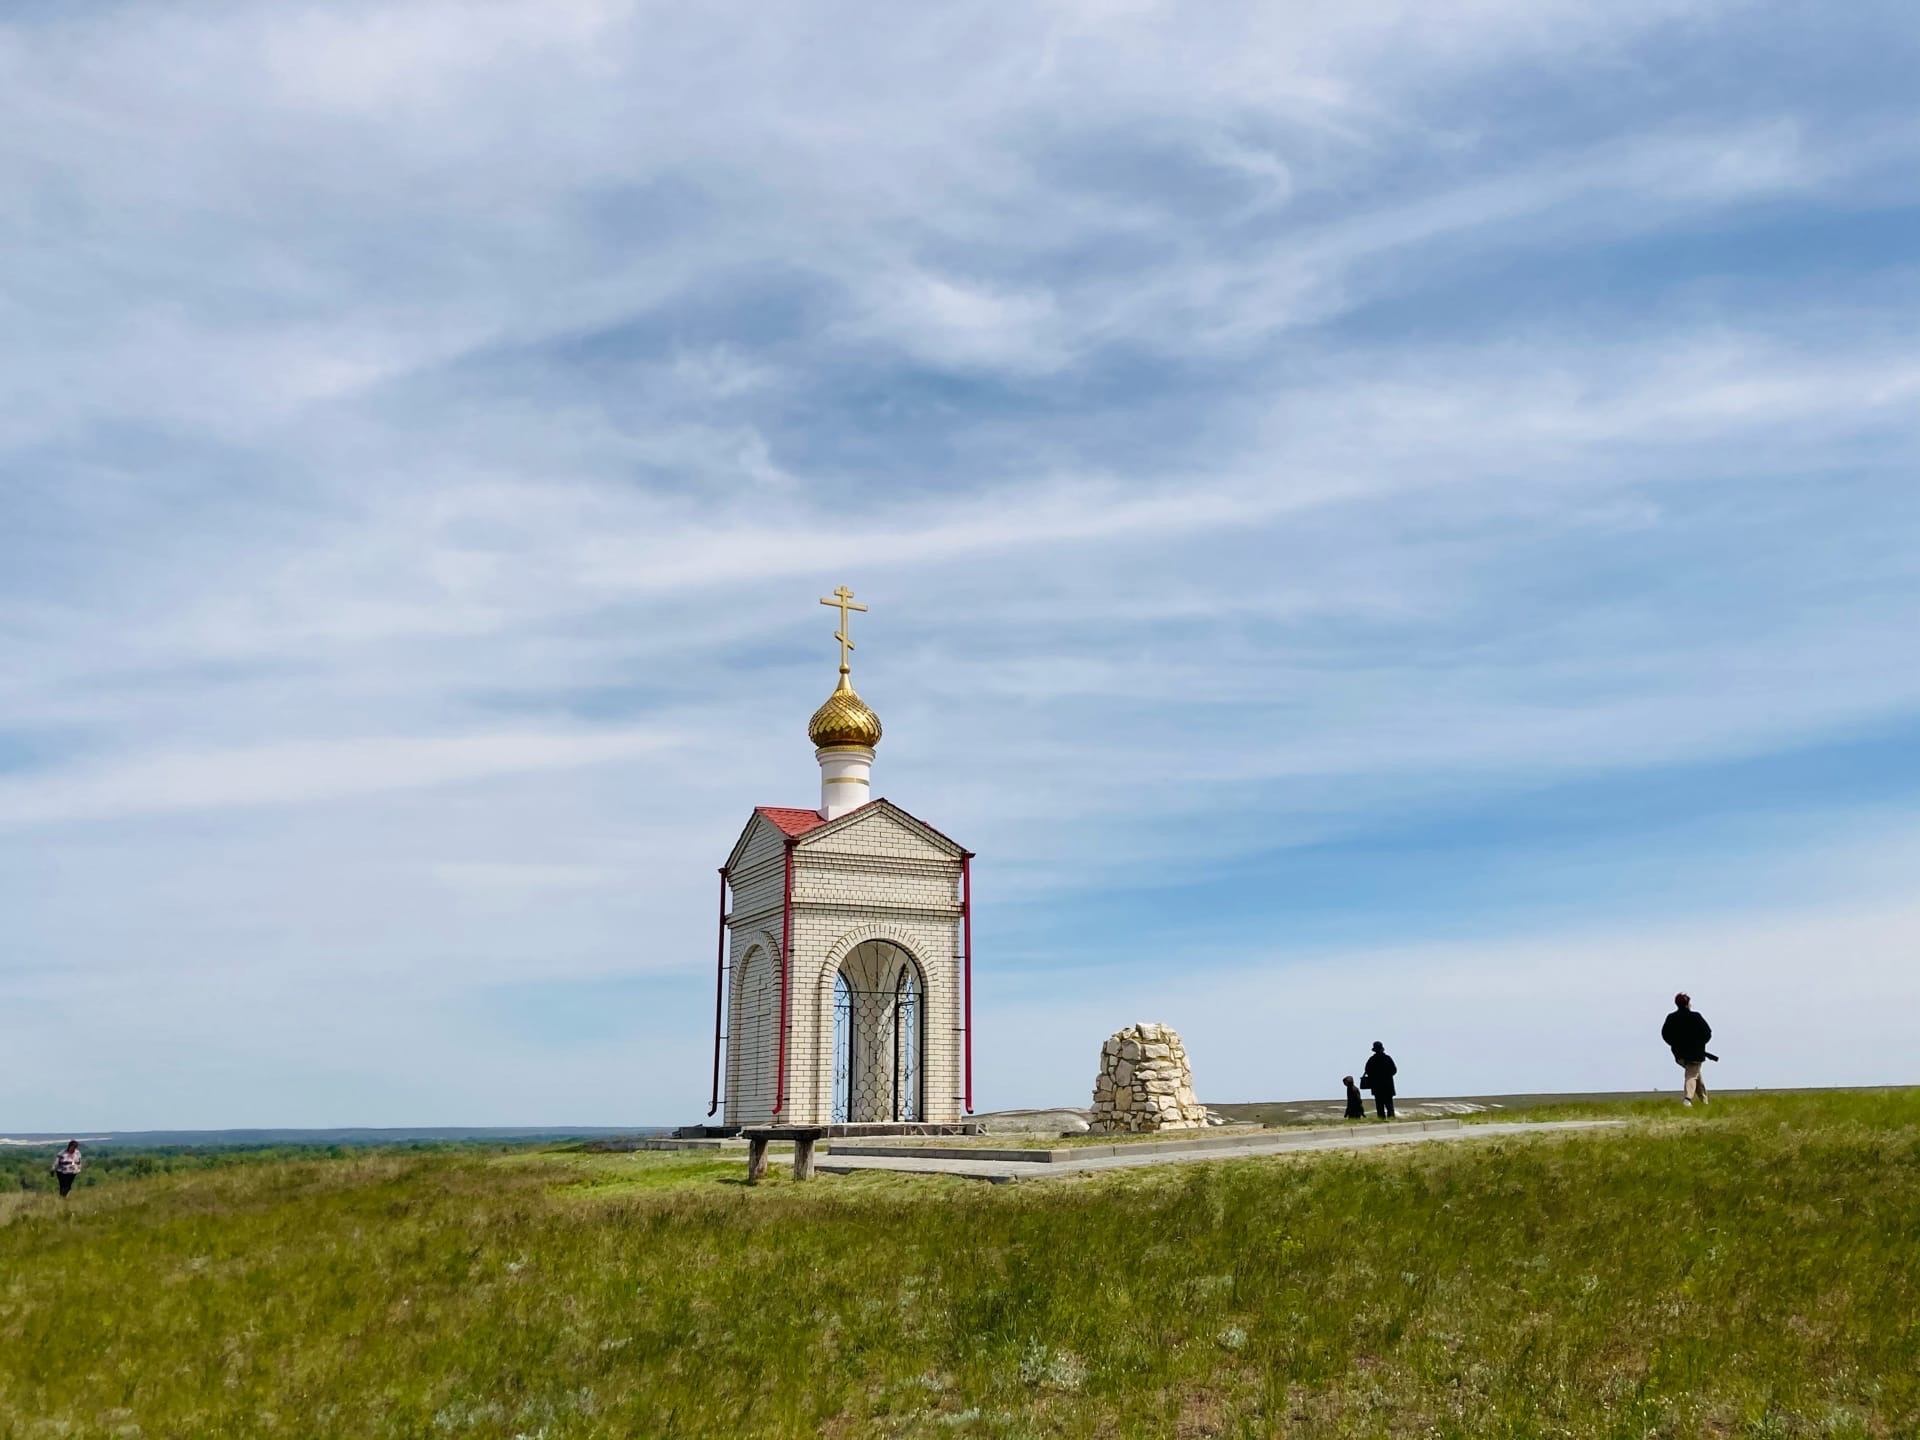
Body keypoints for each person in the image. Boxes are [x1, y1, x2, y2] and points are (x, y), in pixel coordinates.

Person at [1661, 992, 1714, 1106]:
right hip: (1695, 1054)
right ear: (1688, 1003)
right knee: (1691, 1075)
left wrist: (1675, 1044)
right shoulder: (1696, 1017)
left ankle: (1704, 1102)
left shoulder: (1671, 1018)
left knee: (1695, 1074)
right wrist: (1699, 1045)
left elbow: (1665, 1035)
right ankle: (1687, 1099)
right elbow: (1707, 1033)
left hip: (1679, 1054)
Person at [1362, 1042, 1397, 1119]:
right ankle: (1391, 1118)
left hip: (1377, 1087)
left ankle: (1381, 1119)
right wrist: (1387, 1076)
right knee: (1389, 1105)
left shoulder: (1372, 1060)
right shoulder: (1387, 1058)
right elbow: (1394, 1070)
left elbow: (1367, 1070)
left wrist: (1375, 1077)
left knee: (1379, 1105)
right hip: (1388, 1086)